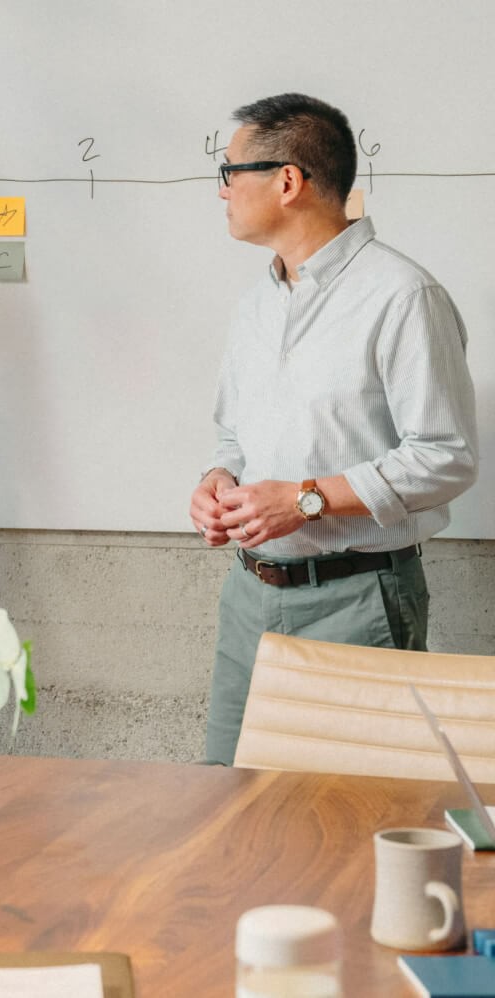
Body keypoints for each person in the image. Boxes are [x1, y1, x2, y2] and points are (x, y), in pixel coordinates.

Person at [189, 93, 477, 765]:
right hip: (248, 596)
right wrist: (217, 479)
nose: (222, 190)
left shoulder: (403, 295)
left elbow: (447, 456)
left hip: (360, 600)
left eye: (230, 172)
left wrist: (305, 500)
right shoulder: (257, 303)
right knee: (224, 796)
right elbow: (235, 437)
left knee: (352, 809)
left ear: (287, 180)